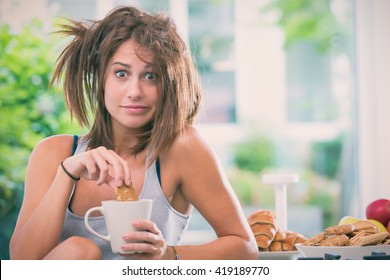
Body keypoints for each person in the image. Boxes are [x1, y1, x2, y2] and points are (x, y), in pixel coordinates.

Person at [9, 6, 258, 260]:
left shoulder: (182, 148)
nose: (135, 91)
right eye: (121, 73)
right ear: (101, 78)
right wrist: (67, 174)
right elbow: (22, 262)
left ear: (167, 84)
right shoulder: (54, 154)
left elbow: (245, 247)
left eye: (151, 76)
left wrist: (167, 254)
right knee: (80, 251)